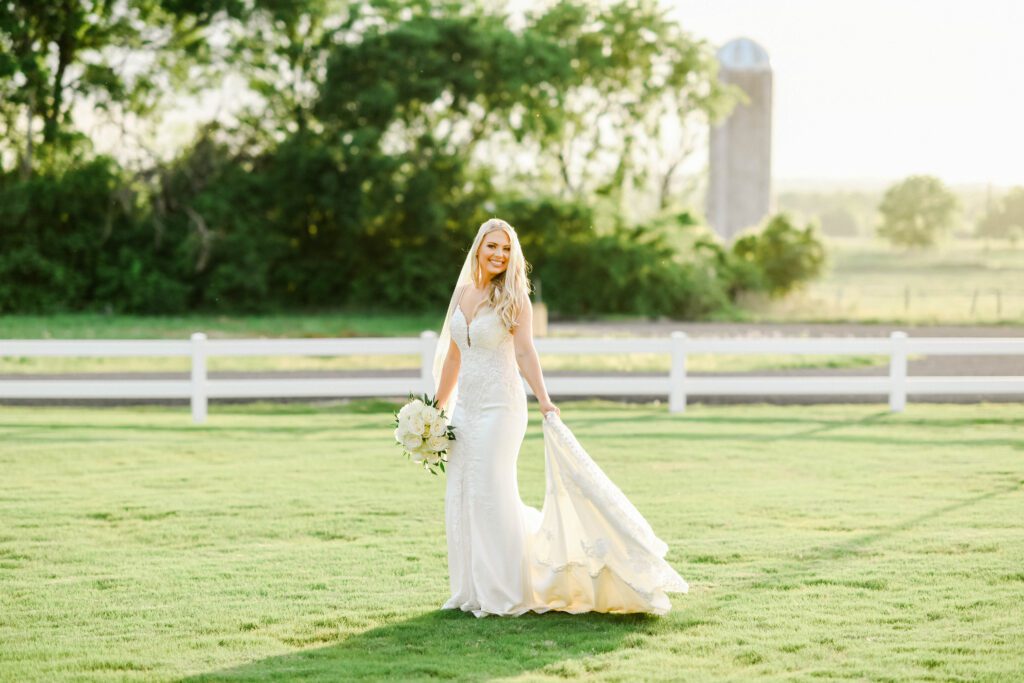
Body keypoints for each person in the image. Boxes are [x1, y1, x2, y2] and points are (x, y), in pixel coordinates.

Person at [433, 218, 688, 618]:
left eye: (506, 248)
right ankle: (471, 590)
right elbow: (452, 357)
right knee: (462, 492)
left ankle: (504, 591)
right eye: (492, 246)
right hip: (465, 409)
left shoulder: (514, 297)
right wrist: (436, 410)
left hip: (501, 407)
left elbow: (524, 353)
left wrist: (545, 400)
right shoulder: (464, 293)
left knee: (488, 490)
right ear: (478, 247)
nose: (499, 254)